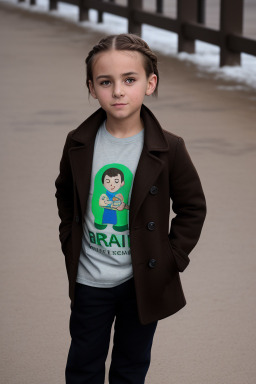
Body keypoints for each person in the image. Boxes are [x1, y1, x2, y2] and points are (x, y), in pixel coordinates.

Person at [55, 33, 206, 384]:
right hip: (90, 278)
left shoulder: (169, 148)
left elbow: (193, 207)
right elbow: (66, 195)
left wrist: (172, 258)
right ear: (92, 87)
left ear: (150, 83)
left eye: (129, 80)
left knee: (131, 365)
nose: (118, 91)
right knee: (83, 363)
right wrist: (69, 241)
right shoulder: (78, 143)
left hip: (142, 280)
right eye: (106, 82)